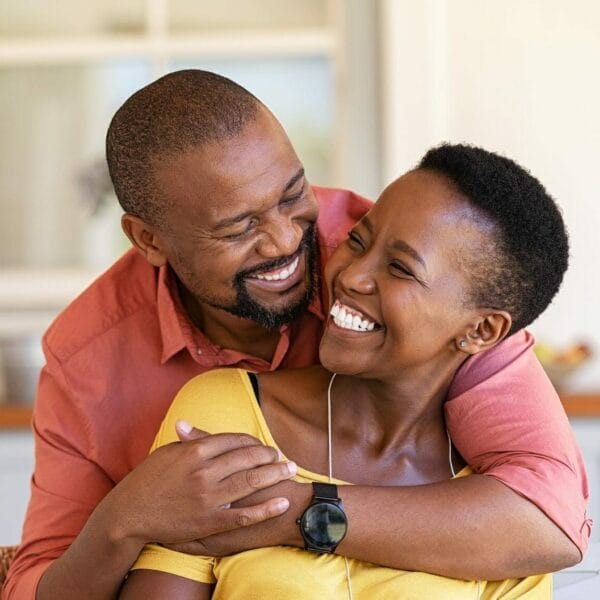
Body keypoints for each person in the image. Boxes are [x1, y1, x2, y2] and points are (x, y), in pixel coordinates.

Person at [3, 71, 588, 600]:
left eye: (292, 196)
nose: (286, 241)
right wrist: (124, 519)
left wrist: (292, 513)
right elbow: (39, 584)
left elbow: (549, 515)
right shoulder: (89, 360)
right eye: (239, 228)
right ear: (149, 241)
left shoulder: (405, 267)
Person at [119, 143, 568, 598]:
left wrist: (292, 514)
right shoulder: (229, 413)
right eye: (358, 240)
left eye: (400, 268)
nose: (352, 276)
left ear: (481, 330)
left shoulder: (506, 526)